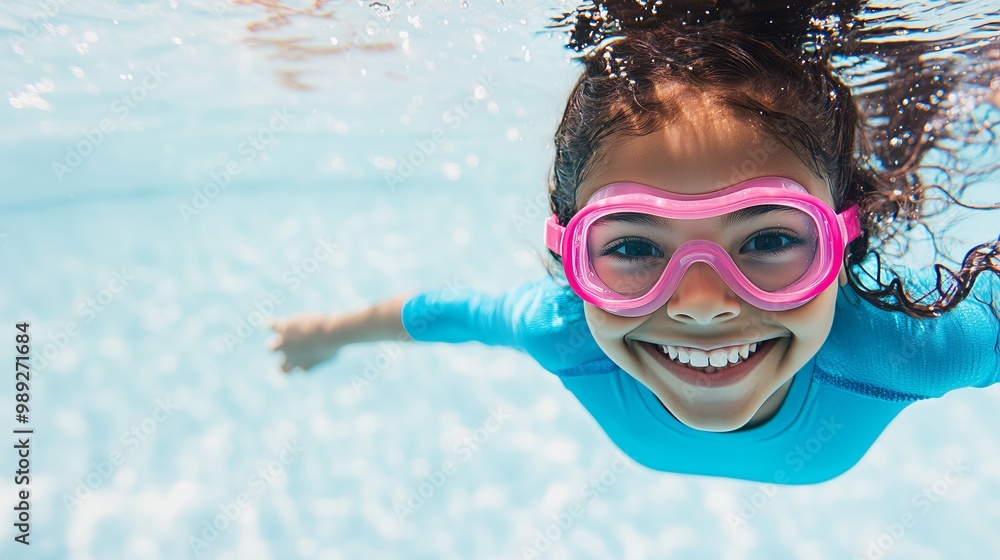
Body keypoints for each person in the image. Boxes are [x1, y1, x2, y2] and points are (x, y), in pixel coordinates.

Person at [267, 0, 1000, 484]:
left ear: (843, 241)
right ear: (569, 260)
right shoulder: (565, 334)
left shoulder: (913, 347)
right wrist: (324, 333)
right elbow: (443, 314)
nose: (703, 304)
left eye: (770, 238)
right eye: (634, 250)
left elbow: (443, 315)